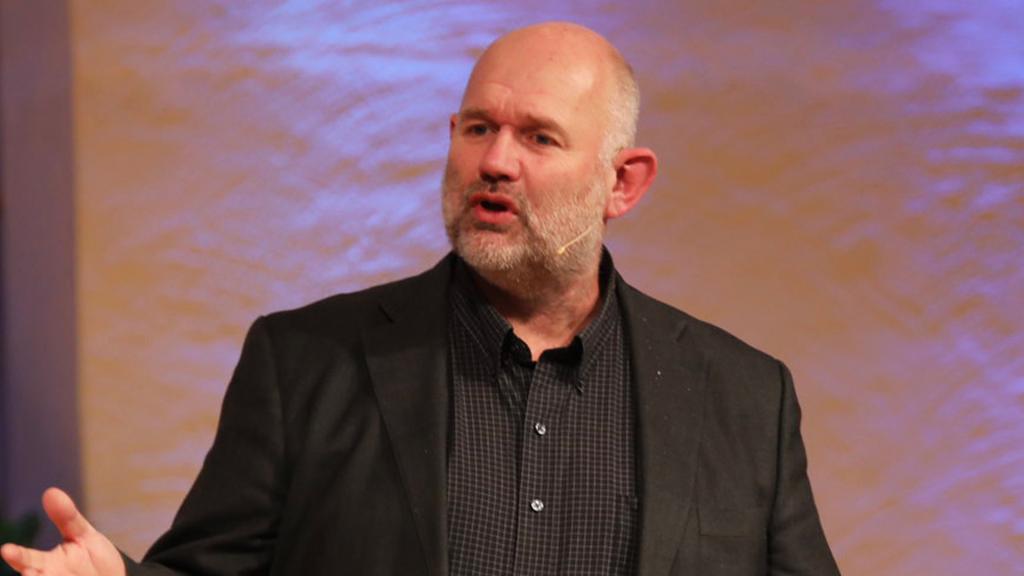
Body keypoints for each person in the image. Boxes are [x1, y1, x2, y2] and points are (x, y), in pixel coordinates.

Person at [1, 21, 840, 576]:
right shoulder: (307, 363)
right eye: (478, 128)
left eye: (539, 136)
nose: (495, 162)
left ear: (623, 183)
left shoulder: (742, 397)